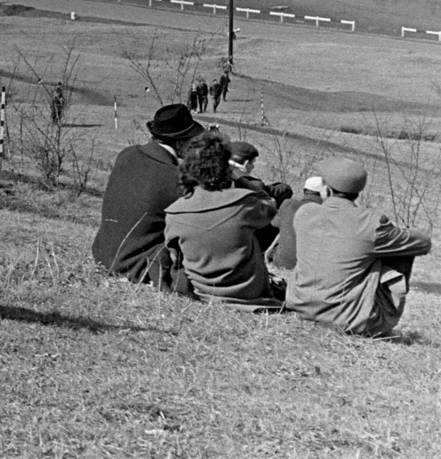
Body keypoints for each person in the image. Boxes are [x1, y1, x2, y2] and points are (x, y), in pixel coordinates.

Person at [286, 157, 432, 337]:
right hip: (345, 318)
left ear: (326, 189)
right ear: (358, 192)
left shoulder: (305, 212)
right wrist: (394, 232)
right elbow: (423, 243)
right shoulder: (371, 222)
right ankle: (383, 314)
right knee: (402, 249)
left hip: (300, 306)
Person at [162, 131, 283, 307]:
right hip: (248, 292)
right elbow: (271, 205)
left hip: (202, 292)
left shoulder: (174, 213)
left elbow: (174, 256)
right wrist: (239, 179)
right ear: (226, 167)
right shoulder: (243, 202)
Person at [92, 102, 206, 283]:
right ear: (179, 142)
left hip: (103, 254)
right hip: (136, 265)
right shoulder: (175, 178)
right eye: (191, 140)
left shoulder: (127, 154)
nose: (193, 145)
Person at [266, 175, 326, 282]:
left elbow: (274, 223)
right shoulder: (325, 213)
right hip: (306, 269)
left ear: (304, 191)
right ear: (325, 193)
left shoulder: (288, 204)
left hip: (280, 264)